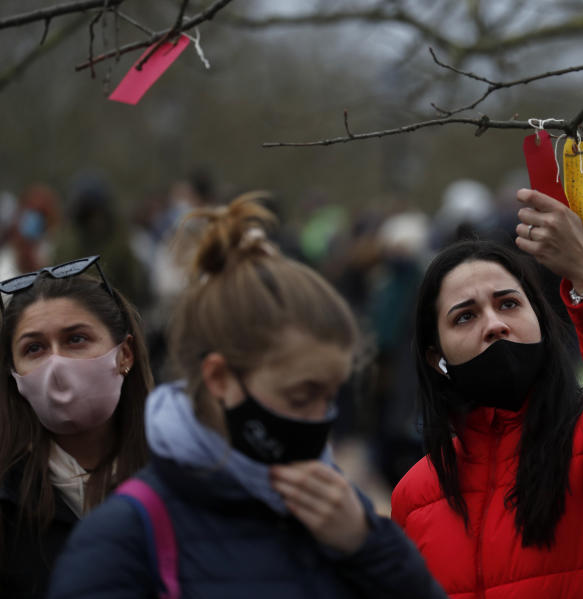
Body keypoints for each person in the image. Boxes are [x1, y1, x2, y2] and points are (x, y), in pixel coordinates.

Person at [47, 195, 446, 599]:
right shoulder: (123, 543)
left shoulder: (336, 509)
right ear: (220, 378)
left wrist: (370, 546)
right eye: (300, 395)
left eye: (329, 397)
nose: (320, 418)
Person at [391, 188, 583, 598]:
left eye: (508, 304)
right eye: (465, 316)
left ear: (541, 320)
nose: (493, 324)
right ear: (435, 356)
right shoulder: (414, 494)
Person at [0, 255, 152, 598]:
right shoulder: (8, 501)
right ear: (15, 375)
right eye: (34, 348)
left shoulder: (182, 476)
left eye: (76, 339)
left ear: (124, 353)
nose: (57, 364)